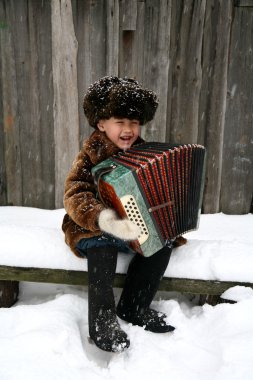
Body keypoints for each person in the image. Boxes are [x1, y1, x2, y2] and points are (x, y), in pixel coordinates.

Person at [62, 76, 184, 353]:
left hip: (134, 224)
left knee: (160, 247)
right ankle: (102, 321)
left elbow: (156, 191)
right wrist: (105, 219)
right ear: (101, 124)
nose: (128, 129)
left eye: (134, 122)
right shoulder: (91, 154)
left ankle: (134, 306)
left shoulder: (146, 154)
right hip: (92, 226)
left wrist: (166, 218)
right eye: (120, 122)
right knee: (102, 247)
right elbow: (75, 193)